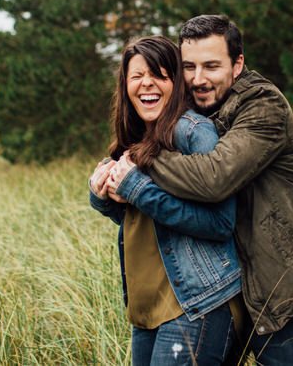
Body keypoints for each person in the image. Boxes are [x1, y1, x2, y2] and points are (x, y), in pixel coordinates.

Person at [108, 15, 293, 365]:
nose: (198, 79)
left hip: (274, 281)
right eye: (188, 66)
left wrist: (138, 161)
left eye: (211, 66)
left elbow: (215, 177)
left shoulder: (264, 106)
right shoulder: (190, 105)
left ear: (237, 64)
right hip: (219, 284)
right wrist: (111, 178)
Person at [89, 36, 245, 365]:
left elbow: (220, 223)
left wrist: (137, 189)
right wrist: (103, 196)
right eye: (137, 76)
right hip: (147, 313)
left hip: (196, 303)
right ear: (125, 85)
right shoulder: (137, 139)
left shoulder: (193, 132)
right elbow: (144, 223)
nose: (147, 83)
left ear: (176, 83)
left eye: (160, 74)